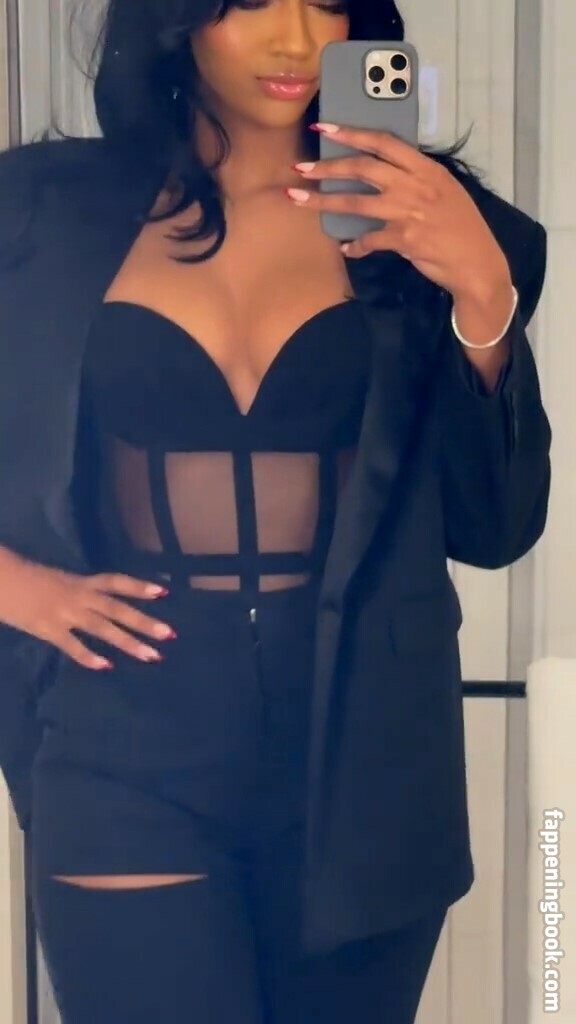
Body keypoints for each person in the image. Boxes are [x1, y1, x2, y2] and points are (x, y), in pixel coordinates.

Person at [0, 0, 552, 1021]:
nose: (298, 39)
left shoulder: (432, 227)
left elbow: (494, 525)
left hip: (366, 764)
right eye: (251, 1)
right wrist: (19, 589)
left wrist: (482, 294)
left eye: (326, 1)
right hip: (126, 745)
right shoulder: (37, 212)